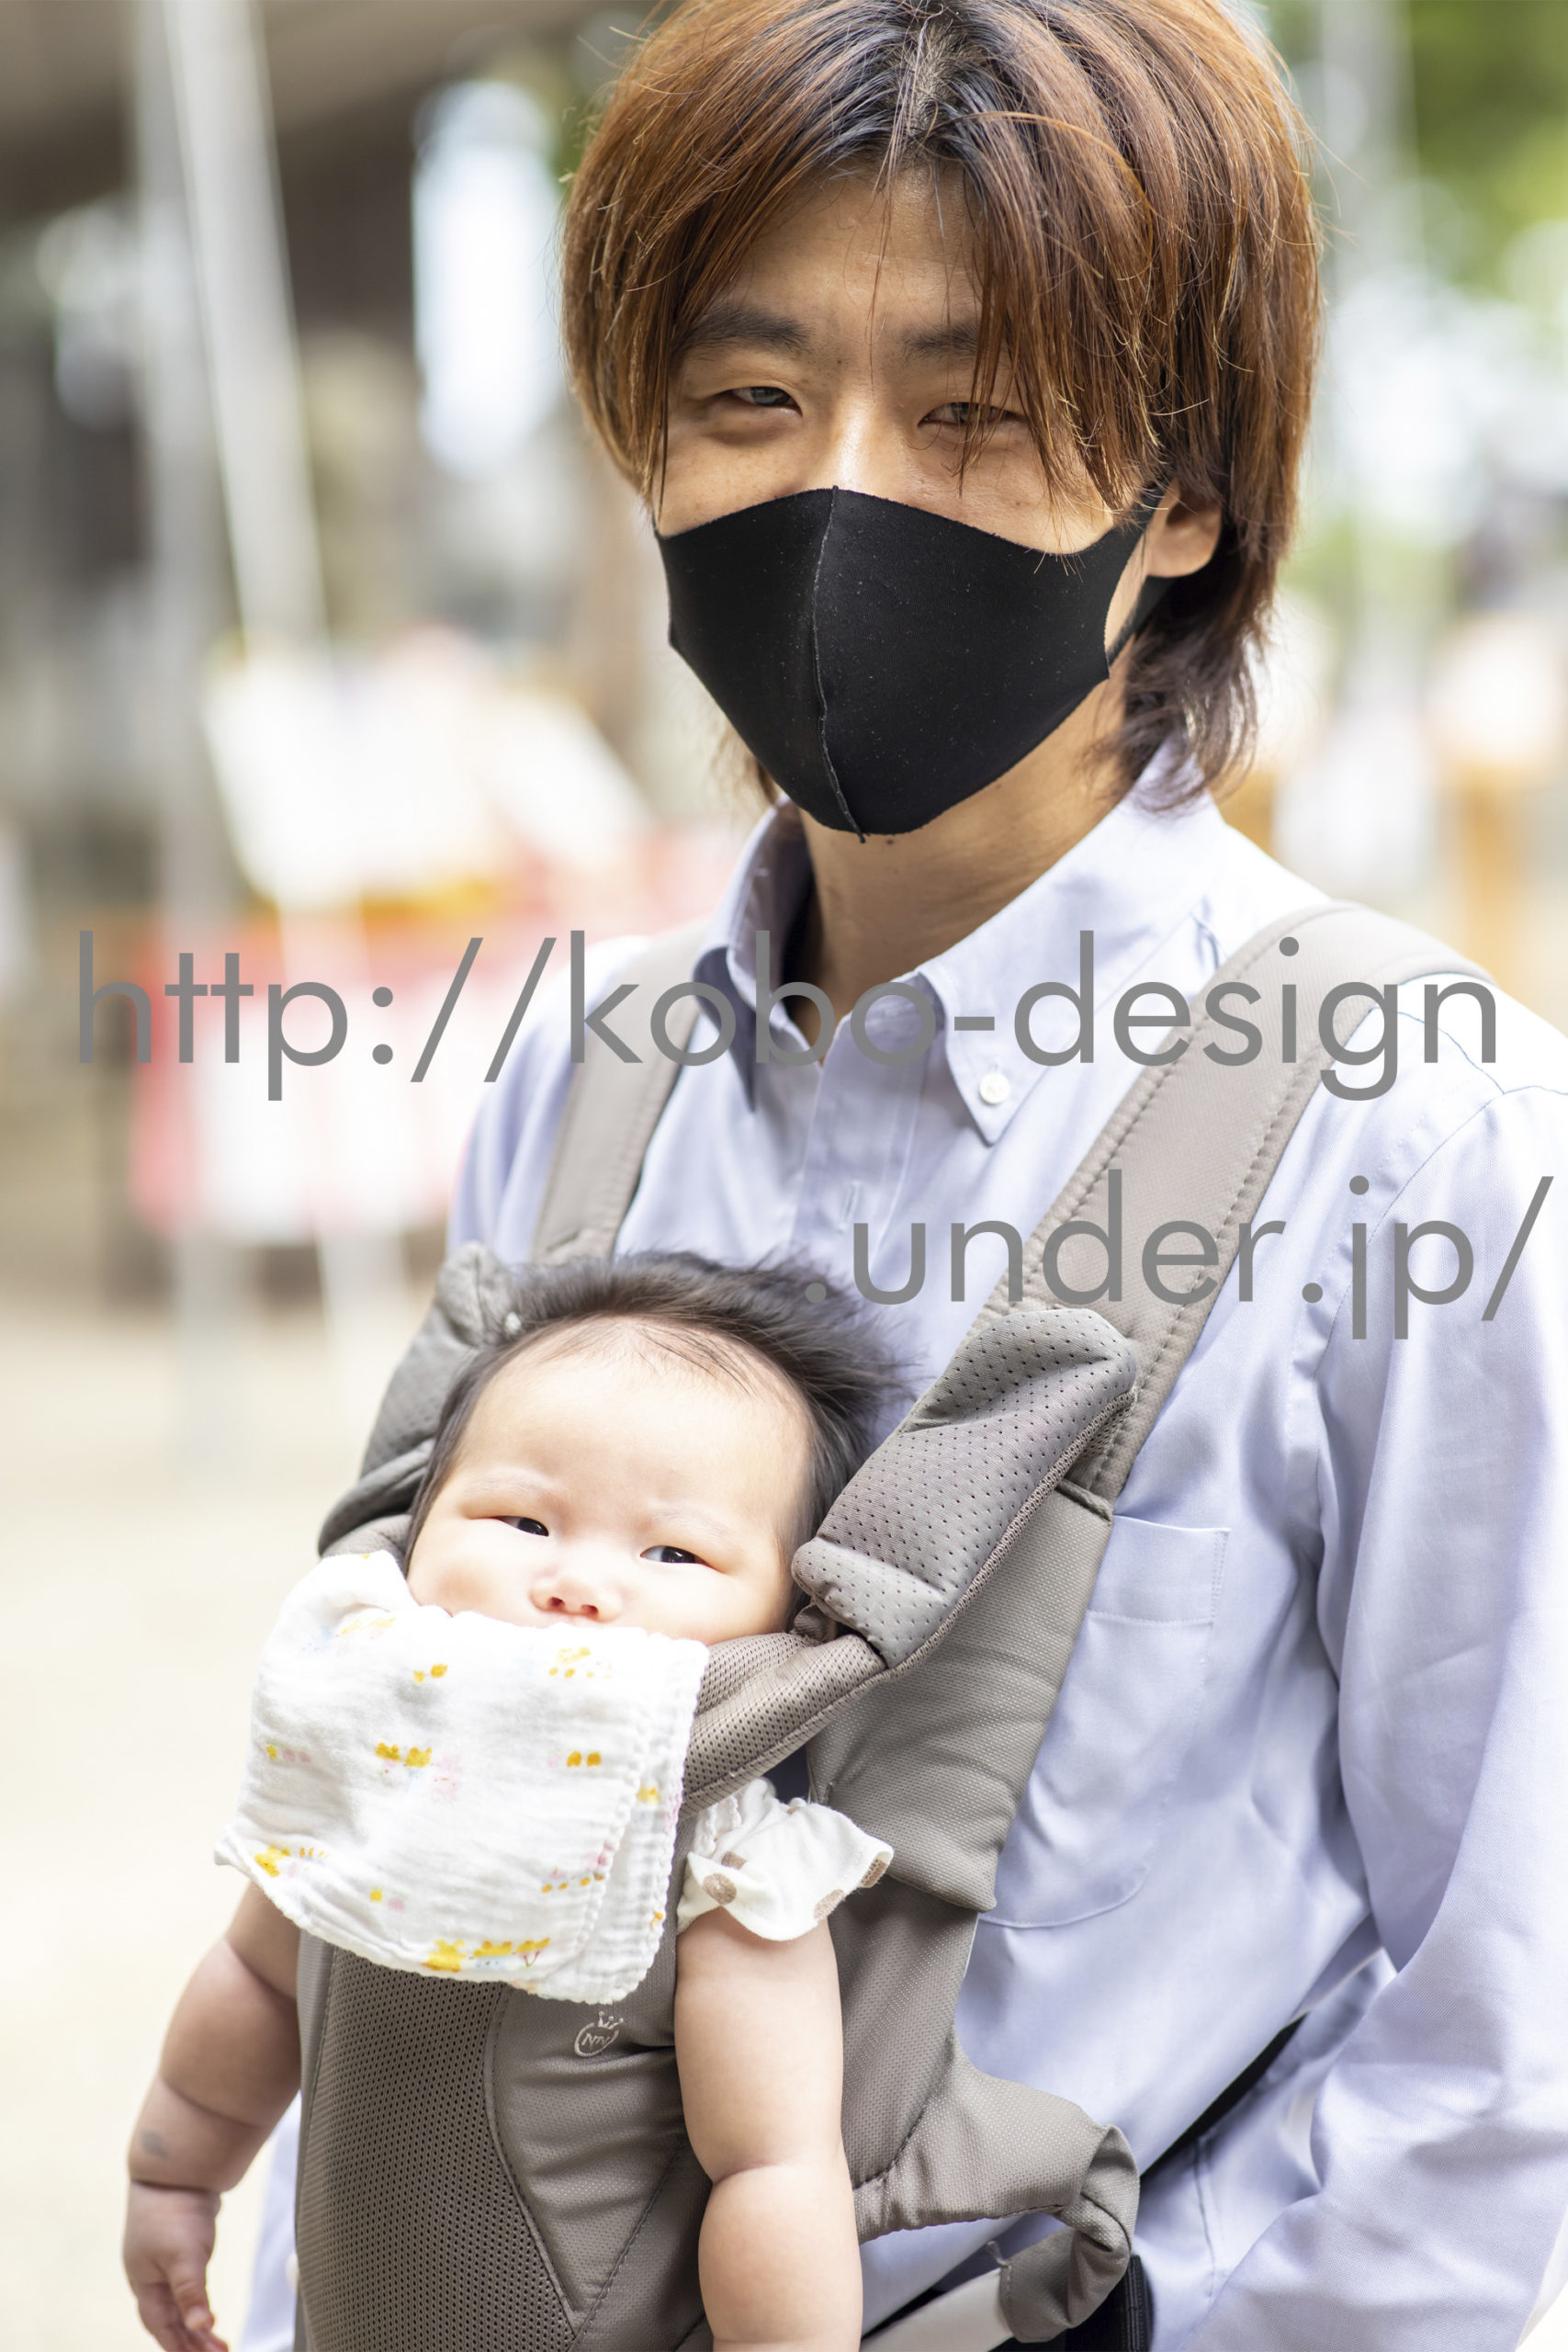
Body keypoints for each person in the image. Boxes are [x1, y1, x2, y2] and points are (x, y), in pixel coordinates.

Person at [246, 1, 1568, 2344]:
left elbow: (1502, 2038)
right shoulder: (583, 1073)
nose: (838, 496)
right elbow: (414, 1795)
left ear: (1181, 500)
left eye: (971, 414)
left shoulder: (1419, 1130)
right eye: (749, 399)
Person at [125, 1256, 899, 2352]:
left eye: (672, 1550)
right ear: (420, 1522)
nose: (577, 1584)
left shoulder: (723, 1861)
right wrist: (172, 2177)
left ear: (788, 1611)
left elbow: (773, 2165)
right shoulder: (372, 1760)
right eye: (524, 1521)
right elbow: (255, 1977)